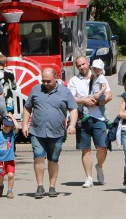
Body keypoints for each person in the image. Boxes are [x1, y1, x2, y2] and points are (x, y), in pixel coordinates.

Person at [22, 68, 78, 198]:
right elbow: (27, 107)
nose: (45, 84)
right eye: (43, 81)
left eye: (48, 81)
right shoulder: (36, 90)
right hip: (37, 131)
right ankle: (40, 186)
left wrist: (72, 124)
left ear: (55, 78)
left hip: (57, 133)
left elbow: (73, 109)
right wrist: (25, 124)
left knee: (53, 159)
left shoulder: (65, 92)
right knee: (38, 157)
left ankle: (52, 186)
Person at [69, 56, 112, 188]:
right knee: (85, 149)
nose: (82, 67)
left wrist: (98, 102)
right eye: (79, 66)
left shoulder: (99, 76)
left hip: (99, 117)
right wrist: (84, 101)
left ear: (88, 63)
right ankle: (89, 177)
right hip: (83, 118)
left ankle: (99, 166)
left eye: (83, 64)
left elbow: (109, 95)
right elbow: (71, 98)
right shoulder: (74, 80)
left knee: (102, 147)